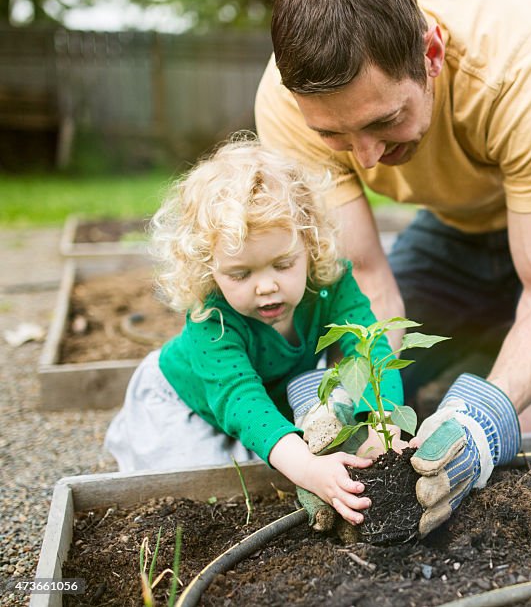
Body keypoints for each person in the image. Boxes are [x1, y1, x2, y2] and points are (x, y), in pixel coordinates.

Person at [255, 0, 531, 536]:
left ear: (431, 55)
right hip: (455, 218)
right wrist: (355, 406)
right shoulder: (286, 104)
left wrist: (482, 420)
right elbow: (369, 280)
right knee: (400, 399)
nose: (366, 158)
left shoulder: (522, 69)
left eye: (382, 122)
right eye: (336, 135)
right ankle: (500, 341)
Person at [104, 135, 405, 528]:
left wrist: (383, 429)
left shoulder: (330, 283)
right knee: (203, 490)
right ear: (207, 267)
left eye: (282, 265)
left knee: (278, 457)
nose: (265, 286)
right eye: (240, 274)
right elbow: (240, 400)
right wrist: (309, 471)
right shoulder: (212, 321)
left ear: (309, 245)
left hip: (266, 391)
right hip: (183, 404)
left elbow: (369, 348)